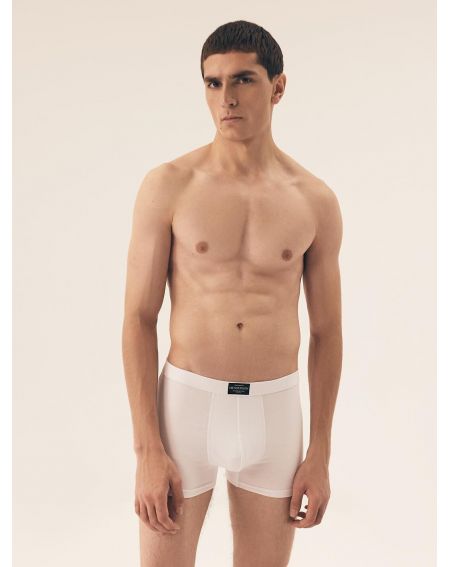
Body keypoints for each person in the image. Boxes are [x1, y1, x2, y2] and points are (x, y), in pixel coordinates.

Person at [122, 19, 343, 567]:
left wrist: (320, 451)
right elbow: (138, 318)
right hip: (185, 410)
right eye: (213, 82)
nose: (227, 98)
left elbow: (327, 332)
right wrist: (147, 450)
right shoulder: (169, 186)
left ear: (278, 87)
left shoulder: (314, 200)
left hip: (275, 414)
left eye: (243, 79)